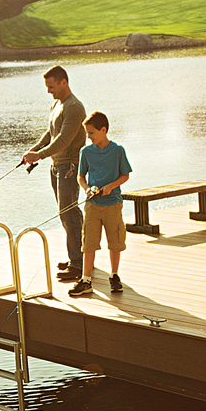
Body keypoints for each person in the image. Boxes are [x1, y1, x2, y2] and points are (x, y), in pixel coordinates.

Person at [21, 65, 87, 282]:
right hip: (56, 165)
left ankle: (78, 263)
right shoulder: (57, 105)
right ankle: (78, 257)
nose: (49, 90)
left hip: (69, 166)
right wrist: (35, 149)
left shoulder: (74, 107)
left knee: (68, 213)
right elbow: (51, 133)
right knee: (67, 213)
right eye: (47, 87)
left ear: (63, 82)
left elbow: (64, 139)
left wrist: (38, 155)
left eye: (51, 86)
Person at [69, 111, 132, 298]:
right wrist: (88, 189)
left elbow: (125, 175)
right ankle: (86, 280)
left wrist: (111, 187)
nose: (89, 137)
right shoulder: (86, 152)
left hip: (113, 204)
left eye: (91, 133)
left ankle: (114, 276)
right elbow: (81, 177)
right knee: (88, 243)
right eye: (87, 133)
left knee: (115, 242)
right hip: (92, 205)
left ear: (103, 130)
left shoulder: (118, 150)